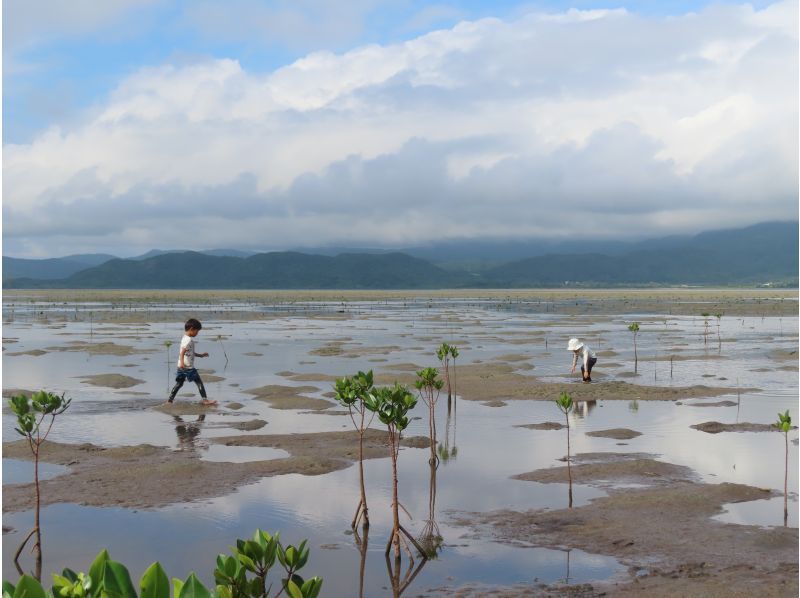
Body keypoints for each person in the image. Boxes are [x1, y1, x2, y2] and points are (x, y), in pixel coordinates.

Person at [168, 318, 217, 405]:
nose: (197, 333)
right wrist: (183, 363)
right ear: (191, 329)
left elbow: (189, 352)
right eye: (197, 331)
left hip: (181, 367)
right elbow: (182, 352)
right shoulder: (189, 340)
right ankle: (205, 400)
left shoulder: (184, 338)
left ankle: (169, 401)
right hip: (188, 367)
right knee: (199, 382)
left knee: (179, 384)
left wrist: (200, 355)